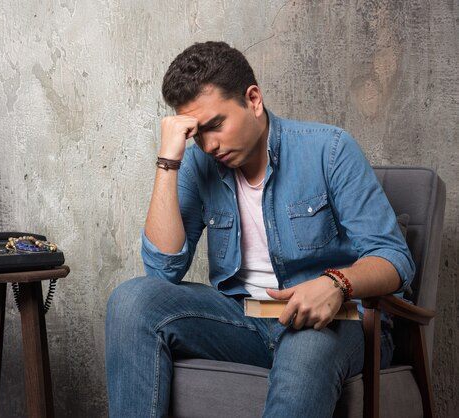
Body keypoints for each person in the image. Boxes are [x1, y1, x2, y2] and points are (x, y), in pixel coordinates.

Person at [105, 41, 414, 418]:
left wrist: (337, 283)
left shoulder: (329, 150)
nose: (209, 144)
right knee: (131, 299)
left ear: (253, 100)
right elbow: (163, 271)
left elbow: (395, 259)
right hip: (244, 319)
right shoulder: (199, 163)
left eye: (216, 125)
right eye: (196, 134)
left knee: (306, 344)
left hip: (338, 321)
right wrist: (168, 161)